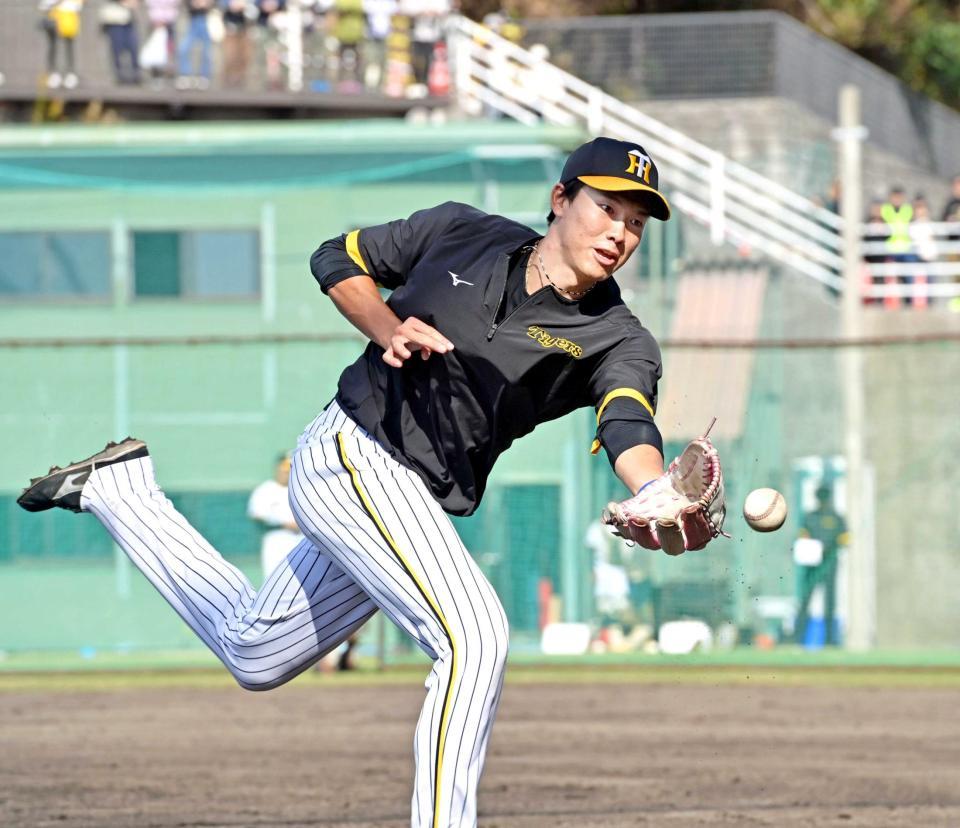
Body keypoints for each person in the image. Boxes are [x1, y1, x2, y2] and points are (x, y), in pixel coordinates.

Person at [17, 137, 723, 828]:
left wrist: (654, 489)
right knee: (474, 637)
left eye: (636, 223)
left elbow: (628, 420)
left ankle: (121, 492)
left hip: (410, 501)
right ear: (560, 198)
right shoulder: (461, 232)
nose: (621, 233)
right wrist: (387, 325)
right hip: (350, 452)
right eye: (608, 208)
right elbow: (338, 257)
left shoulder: (618, 337)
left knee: (256, 652)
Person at [793, 484, 848, 647]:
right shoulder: (810, 517)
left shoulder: (837, 517)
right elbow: (803, 536)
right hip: (812, 566)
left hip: (830, 564)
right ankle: (799, 638)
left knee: (830, 602)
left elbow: (845, 537)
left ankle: (830, 640)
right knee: (805, 600)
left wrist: (832, 547)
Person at [247, 453, 302, 579]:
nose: (286, 474)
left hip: (299, 540)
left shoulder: (298, 489)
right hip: (275, 541)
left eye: (288, 471)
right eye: (283, 470)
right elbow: (257, 515)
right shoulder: (265, 490)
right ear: (277, 469)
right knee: (274, 578)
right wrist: (283, 524)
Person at [39, 0, 84, 90]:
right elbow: (44, 5)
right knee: (54, 46)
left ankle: (70, 74)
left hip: (69, 16)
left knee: (68, 47)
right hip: (54, 16)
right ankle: (53, 73)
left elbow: (79, 4)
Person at [100, 0, 141, 85]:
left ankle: (135, 74)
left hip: (128, 20)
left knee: (133, 48)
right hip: (115, 20)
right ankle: (119, 75)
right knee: (117, 49)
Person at [177, 0, 214, 89]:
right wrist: (193, 3)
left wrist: (207, 3)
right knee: (183, 48)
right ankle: (185, 75)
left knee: (206, 51)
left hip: (206, 19)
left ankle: (204, 77)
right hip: (192, 20)